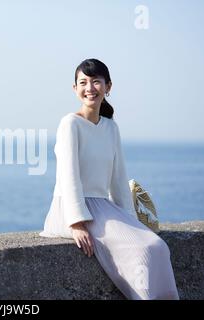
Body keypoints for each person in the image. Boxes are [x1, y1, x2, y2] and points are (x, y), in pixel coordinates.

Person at [39, 58, 179, 300]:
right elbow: (67, 175)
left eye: (96, 82)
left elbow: (119, 178)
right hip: (75, 209)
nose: (89, 88)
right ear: (74, 89)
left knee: (157, 245)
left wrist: (131, 220)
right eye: (82, 82)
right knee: (145, 250)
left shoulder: (111, 128)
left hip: (104, 208)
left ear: (108, 86)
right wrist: (76, 223)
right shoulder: (70, 124)